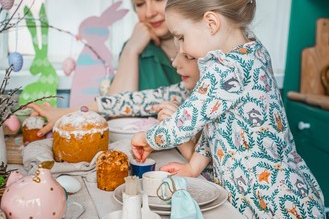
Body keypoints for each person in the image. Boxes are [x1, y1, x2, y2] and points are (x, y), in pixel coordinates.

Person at [130, 0, 326, 219]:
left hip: (276, 204)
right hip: (266, 193)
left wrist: (147, 138)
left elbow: (185, 122)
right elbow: (217, 127)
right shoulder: (252, 53)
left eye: (181, 36)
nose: (182, 48)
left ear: (211, 23)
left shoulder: (226, 69)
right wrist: (193, 166)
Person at [28, 49, 201, 161]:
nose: (175, 63)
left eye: (188, 56)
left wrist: (178, 130)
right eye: (176, 53)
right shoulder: (182, 91)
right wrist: (67, 113)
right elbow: (128, 101)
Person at [108, 0, 184, 94]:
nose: (149, 13)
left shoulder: (205, 47)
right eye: (139, 3)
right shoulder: (133, 49)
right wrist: (130, 50)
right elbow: (115, 110)